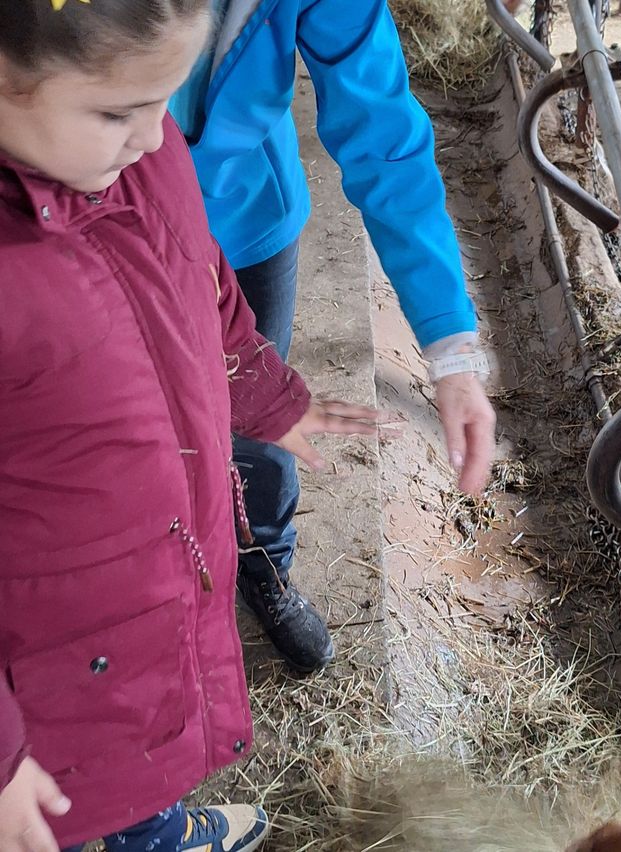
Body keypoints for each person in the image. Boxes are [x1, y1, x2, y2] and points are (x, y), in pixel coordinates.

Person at [0, 2, 383, 850]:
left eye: (161, 104)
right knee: (76, 782)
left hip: (151, 575)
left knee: (142, 753)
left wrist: (271, 401)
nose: (149, 138)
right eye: (116, 113)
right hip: (52, 634)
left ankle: (162, 833)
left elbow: (201, 284)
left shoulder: (145, 158)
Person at [170, 0, 498, 674]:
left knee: (257, 423)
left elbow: (380, 128)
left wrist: (453, 350)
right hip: (97, 213)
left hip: (245, 214)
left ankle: (263, 564)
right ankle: (158, 597)